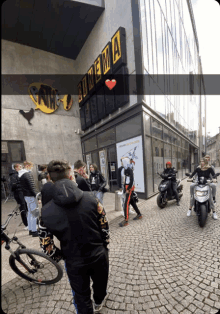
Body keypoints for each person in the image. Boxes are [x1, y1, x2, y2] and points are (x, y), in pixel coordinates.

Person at [38, 160, 110, 313]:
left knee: (81, 296)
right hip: (98, 253)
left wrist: (62, 256)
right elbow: (104, 226)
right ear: (71, 176)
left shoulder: (44, 212)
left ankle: (91, 306)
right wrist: (104, 246)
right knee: (100, 284)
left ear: (50, 179)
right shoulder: (92, 198)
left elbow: (46, 245)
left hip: (73, 259)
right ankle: (98, 301)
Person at [118, 157, 142, 227]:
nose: (122, 163)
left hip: (130, 187)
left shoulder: (129, 170)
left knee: (126, 204)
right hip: (127, 187)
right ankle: (139, 214)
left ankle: (126, 220)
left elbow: (131, 180)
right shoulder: (125, 169)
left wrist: (128, 188)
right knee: (131, 201)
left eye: (122, 161)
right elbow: (126, 179)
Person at [19, 161, 38, 236]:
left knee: (30, 213)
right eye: (31, 166)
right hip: (31, 195)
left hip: (26, 196)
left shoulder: (21, 175)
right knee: (34, 213)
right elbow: (32, 187)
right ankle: (34, 230)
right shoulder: (27, 174)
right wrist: (37, 196)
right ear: (27, 166)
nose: (32, 168)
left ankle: (30, 229)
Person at [9, 163, 28, 229]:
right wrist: (22, 184)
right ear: (16, 167)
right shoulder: (14, 175)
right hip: (19, 194)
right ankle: (26, 224)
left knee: (26, 208)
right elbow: (13, 185)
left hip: (21, 193)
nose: (21, 168)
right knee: (23, 208)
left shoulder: (18, 174)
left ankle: (29, 223)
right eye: (20, 167)